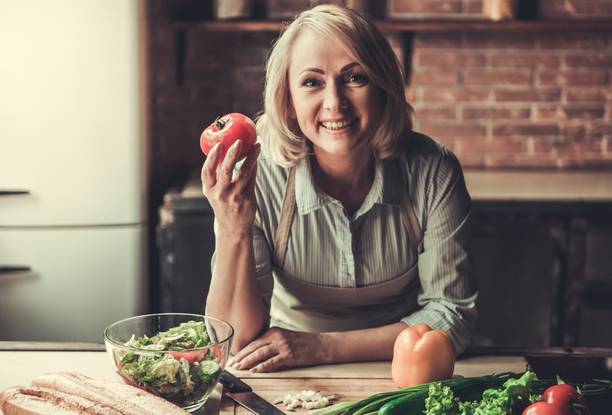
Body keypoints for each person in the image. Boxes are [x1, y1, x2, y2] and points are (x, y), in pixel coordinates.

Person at [201, 4, 477, 373]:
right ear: (288, 99)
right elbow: (233, 342)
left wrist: (322, 347)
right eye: (312, 82)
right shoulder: (259, 172)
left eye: (355, 78)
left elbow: (452, 317)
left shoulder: (432, 170)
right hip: (287, 371)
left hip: (404, 368)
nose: (334, 103)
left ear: (383, 87)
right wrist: (233, 227)